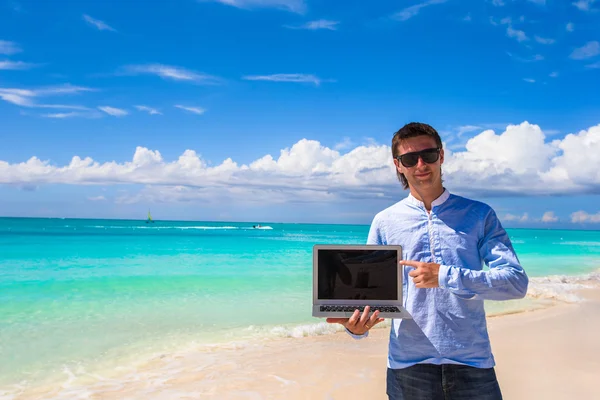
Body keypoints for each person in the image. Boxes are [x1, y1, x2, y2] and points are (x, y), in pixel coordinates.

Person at [326, 122, 529, 400]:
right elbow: (371, 295)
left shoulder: (479, 214)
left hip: (472, 362)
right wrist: (356, 327)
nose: (421, 164)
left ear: (441, 156)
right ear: (399, 165)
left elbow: (515, 283)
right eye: (410, 158)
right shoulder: (385, 222)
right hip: (408, 365)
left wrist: (444, 275)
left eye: (429, 155)